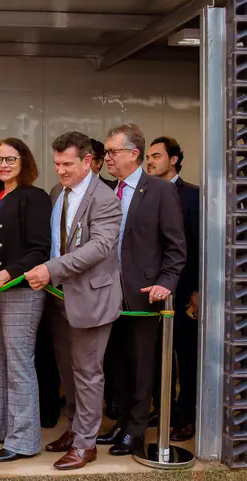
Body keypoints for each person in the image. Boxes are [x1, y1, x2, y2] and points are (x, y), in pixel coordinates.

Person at [26, 131, 123, 470]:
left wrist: (51, 269)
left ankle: (86, 444)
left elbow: (99, 247)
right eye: (56, 164)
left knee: (87, 373)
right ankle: (74, 428)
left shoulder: (105, 198)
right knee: (68, 372)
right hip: (58, 297)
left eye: (67, 163)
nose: (61, 170)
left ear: (86, 161)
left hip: (91, 299)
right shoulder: (57, 193)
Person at [97, 123, 185, 456]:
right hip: (107, 294)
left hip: (144, 293)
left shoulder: (160, 191)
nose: (108, 158)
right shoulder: (107, 192)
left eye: (113, 152)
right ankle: (121, 420)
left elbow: (176, 246)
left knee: (141, 363)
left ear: (134, 154)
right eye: (106, 152)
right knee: (115, 362)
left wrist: (166, 282)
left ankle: (136, 430)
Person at [0, 137, 51, 462]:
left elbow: (40, 250)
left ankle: (23, 441)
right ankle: (0, 428)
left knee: (18, 365)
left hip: (19, 291)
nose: (3, 165)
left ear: (24, 162)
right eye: (0, 160)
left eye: (11, 160)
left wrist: (5, 275)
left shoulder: (34, 197)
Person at [145, 136, 199, 441]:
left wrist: (196, 290)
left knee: (185, 356)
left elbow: (195, 246)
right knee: (155, 355)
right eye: (148, 157)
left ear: (174, 159)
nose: (150, 162)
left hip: (183, 290)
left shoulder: (191, 195)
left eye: (157, 156)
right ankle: (161, 408)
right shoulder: (147, 193)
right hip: (152, 289)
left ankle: (186, 416)